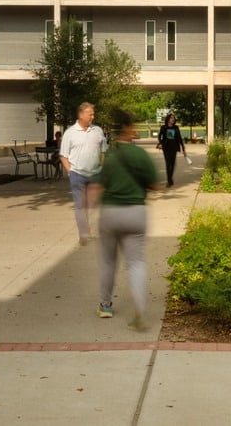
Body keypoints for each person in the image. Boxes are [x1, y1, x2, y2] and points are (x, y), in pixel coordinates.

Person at [95, 113, 162, 324]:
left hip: (110, 213)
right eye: (133, 127)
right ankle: (140, 310)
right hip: (136, 213)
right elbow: (155, 185)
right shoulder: (141, 155)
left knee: (108, 262)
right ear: (128, 130)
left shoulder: (109, 157)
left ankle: (105, 306)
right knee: (136, 263)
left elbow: (98, 186)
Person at [57, 101, 108, 245]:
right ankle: (84, 233)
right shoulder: (70, 133)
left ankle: (90, 228)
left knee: (93, 205)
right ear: (81, 114)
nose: (93, 116)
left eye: (93, 114)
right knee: (80, 205)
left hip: (95, 174)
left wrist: (102, 168)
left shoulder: (97, 131)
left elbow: (103, 151)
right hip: (77, 175)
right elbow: (63, 155)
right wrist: (70, 172)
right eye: (90, 114)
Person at [158, 112, 186, 186]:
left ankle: (170, 179)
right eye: (171, 118)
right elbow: (159, 136)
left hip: (174, 147)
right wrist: (160, 143)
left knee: (172, 164)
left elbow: (179, 138)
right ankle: (169, 180)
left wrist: (183, 148)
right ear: (168, 119)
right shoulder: (163, 127)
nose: (173, 119)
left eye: (173, 118)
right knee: (168, 164)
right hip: (166, 147)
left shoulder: (176, 128)